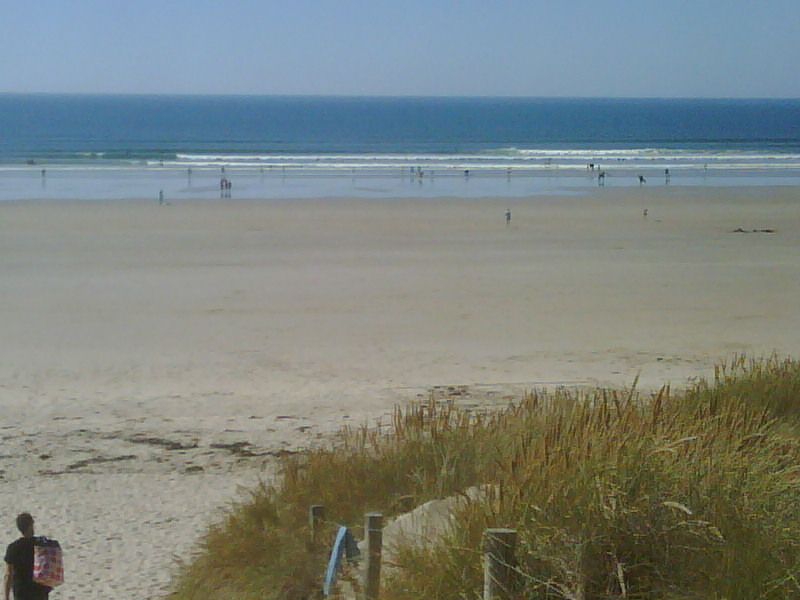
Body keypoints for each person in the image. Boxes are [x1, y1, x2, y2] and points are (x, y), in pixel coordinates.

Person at [4, 513, 50, 600]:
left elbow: (9, 574)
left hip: (21, 591)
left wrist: (6, 597)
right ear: (31, 525)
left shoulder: (13, 548)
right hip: (39, 591)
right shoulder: (40, 543)